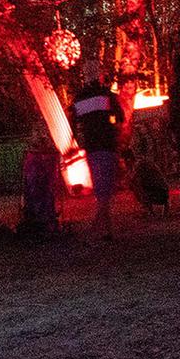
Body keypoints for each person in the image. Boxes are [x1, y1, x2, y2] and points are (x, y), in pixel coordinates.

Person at [73, 60, 125, 238]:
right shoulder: (107, 95)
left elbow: (76, 121)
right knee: (107, 188)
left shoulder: (80, 97)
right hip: (108, 143)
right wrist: (110, 121)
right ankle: (95, 229)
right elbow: (120, 116)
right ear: (99, 74)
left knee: (100, 186)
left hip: (92, 145)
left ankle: (107, 230)